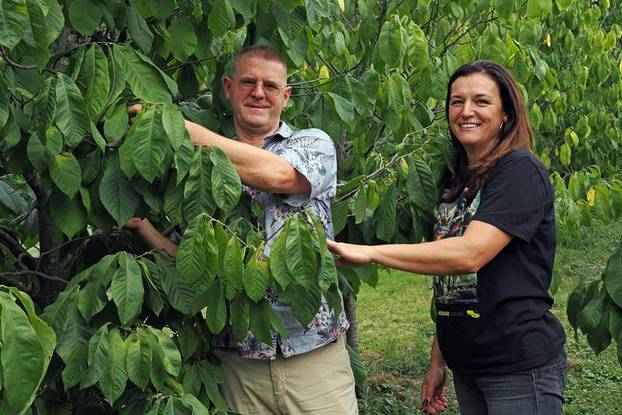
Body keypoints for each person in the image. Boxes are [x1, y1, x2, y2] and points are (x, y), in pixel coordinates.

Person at [127, 46, 357, 414]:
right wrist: (143, 228)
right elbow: (192, 264)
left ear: (286, 95)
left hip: (314, 357)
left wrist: (179, 129)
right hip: (237, 364)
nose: (259, 93)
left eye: (270, 85)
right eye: (248, 82)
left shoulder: (313, 143)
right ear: (228, 88)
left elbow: (278, 175)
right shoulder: (194, 166)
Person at [327, 60, 566, 415]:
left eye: (481, 101)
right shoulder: (457, 179)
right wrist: (438, 360)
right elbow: (452, 284)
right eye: (457, 101)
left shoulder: (519, 170)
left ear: (506, 114)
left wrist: (372, 253)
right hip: (468, 363)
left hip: (516, 363)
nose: (466, 111)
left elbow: (468, 255)